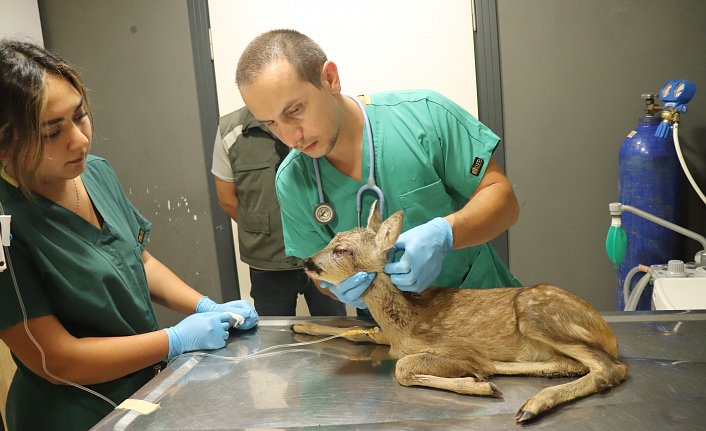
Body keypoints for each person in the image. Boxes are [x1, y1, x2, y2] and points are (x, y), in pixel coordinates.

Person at [0, 39, 259, 431]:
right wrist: (174, 340)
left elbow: (138, 259)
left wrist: (204, 306)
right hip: (75, 411)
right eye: (52, 132)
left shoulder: (94, 172)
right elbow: (56, 360)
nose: (80, 140)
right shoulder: (7, 223)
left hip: (142, 392)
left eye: (80, 116)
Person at [235, 29, 522, 309]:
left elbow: (504, 202)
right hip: (395, 334)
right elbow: (320, 274)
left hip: (489, 313)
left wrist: (446, 233)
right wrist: (339, 288)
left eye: (294, 110)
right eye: (271, 123)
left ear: (330, 79)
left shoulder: (424, 117)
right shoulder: (292, 180)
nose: (290, 137)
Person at [211, 107, 345, 316]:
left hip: (322, 252)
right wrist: (264, 229)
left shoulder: (314, 118)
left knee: (337, 332)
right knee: (272, 338)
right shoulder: (230, 130)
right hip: (267, 263)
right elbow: (227, 199)